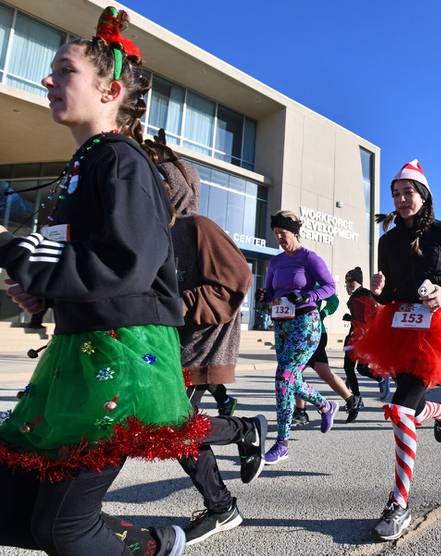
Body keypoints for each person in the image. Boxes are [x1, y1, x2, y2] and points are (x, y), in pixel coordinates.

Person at [0, 9, 197, 554]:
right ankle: (151, 543)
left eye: (64, 70)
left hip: (121, 356)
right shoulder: (85, 163)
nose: (47, 80)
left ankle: (155, 546)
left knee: (62, 530)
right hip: (74, 351)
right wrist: (42, 288)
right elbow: (86, 260)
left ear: (109, 90)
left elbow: (125, 265)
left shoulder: (122, 160)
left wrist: (4, 247)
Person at [351, 159, 441, 540]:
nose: (401, 199)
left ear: (424, 195)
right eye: (396, 193)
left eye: (408, 192)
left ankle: (399, 504)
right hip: (400, 327)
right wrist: (381, 290)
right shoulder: (387, 240)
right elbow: (393, 290)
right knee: (406, 409)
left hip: (439, 329)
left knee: (398, 409)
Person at [153, 139, 268, 545]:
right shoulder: (155, 235)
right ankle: (223, 501)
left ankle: (241, 436)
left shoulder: (198, 227)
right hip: (167, 346)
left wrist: (173, 304)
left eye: (157, 185)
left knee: (173, 428)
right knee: (171, 429)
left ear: (175, 191)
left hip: (201, 344)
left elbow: (236, 283)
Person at [255, 210, 339, 465]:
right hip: (281, 325)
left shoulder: (309, 258)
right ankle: (325, 405)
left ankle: (282, 443)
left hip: (305, 323)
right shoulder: (276, 262)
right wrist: (264, 297)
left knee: (283, 378)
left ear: (294, 231)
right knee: (289, 378)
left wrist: (308, 296)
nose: (279, 237)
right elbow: (270, 292)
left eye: (282, 233)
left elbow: (330, 287)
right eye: (276, 234)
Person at [293, 290, 362, 424]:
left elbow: (333, 301)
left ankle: (301, 411)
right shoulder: (288, 279)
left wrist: (323, 313)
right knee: (323, 371)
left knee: (295, 371)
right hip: (296, 331)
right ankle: (351, 400)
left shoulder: (312, 280)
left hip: (314, 332)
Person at [342, 267, 390, 409]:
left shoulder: (363, 295)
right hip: (357, 335)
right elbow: (363, 316)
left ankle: (357, 398)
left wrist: (364, 329)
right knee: (358, 369)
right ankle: (379, 380)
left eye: (351, 282)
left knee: (352, 368)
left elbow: (373, 315)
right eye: (347, 282)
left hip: (362, 337)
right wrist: (352, 319)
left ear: (358, 282)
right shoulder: (357, 296)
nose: (349, 285)